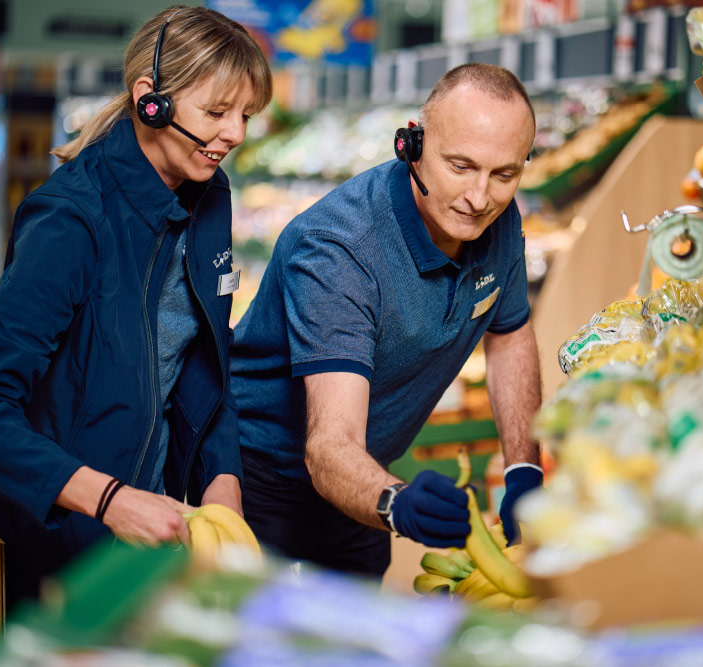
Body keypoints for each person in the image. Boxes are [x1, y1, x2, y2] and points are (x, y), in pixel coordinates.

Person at [0, 5, 272, 606]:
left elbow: (206, 359)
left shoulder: (210, 196)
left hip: (155, 529)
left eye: (246, 115)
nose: (236, 135)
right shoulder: (71, 220)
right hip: (53, 540)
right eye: (217, 111)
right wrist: (109, 500)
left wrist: (223, 478)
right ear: (152, 99)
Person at [230, 63, 543, 579]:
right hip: (261, 486)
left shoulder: (498, 220)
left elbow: (508, 333)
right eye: (460, 166)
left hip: (363, 481)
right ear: (411, 145)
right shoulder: (339, 251)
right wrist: (397, 504)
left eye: (503, 174)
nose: (480, 196)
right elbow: (328, 446)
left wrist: (524, 467)